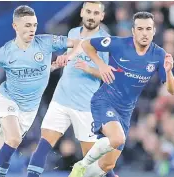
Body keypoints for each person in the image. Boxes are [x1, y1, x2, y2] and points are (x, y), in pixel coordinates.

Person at [0, 5, 78, 177]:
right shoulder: (6, 51)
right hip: (9, 102)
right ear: (15, 26)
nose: (32, 29)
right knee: (14, 139)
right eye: (27, 25)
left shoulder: (46, 42)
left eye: (34, 25)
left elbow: (78, 42)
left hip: (27, 111)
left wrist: (69, 55)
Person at [68, 11, 174, 177]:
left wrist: (169, 72)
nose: (144, 33)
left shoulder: (159, 55)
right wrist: (101, 65)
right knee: (117, 139)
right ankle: (81, 165)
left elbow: (172, 90)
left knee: (107, 165)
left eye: (148, 29)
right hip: (104, 101)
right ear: (133, 31)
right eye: (140, 29)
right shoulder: (118, 44)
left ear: (154, 31)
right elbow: (86, 45)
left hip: (125, 112)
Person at [26, 2, 118, 177]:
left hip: (84, 105)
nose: (91, 16)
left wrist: (88, 68)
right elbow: (69, 61)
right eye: (88, 11)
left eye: (96, 13)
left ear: (102, 16)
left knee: (92, 157)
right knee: (44, 143)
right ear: (82, 12)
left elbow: (107, 75)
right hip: (61, 99)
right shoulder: (73, 33)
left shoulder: (105, 40)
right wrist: (58, 63)